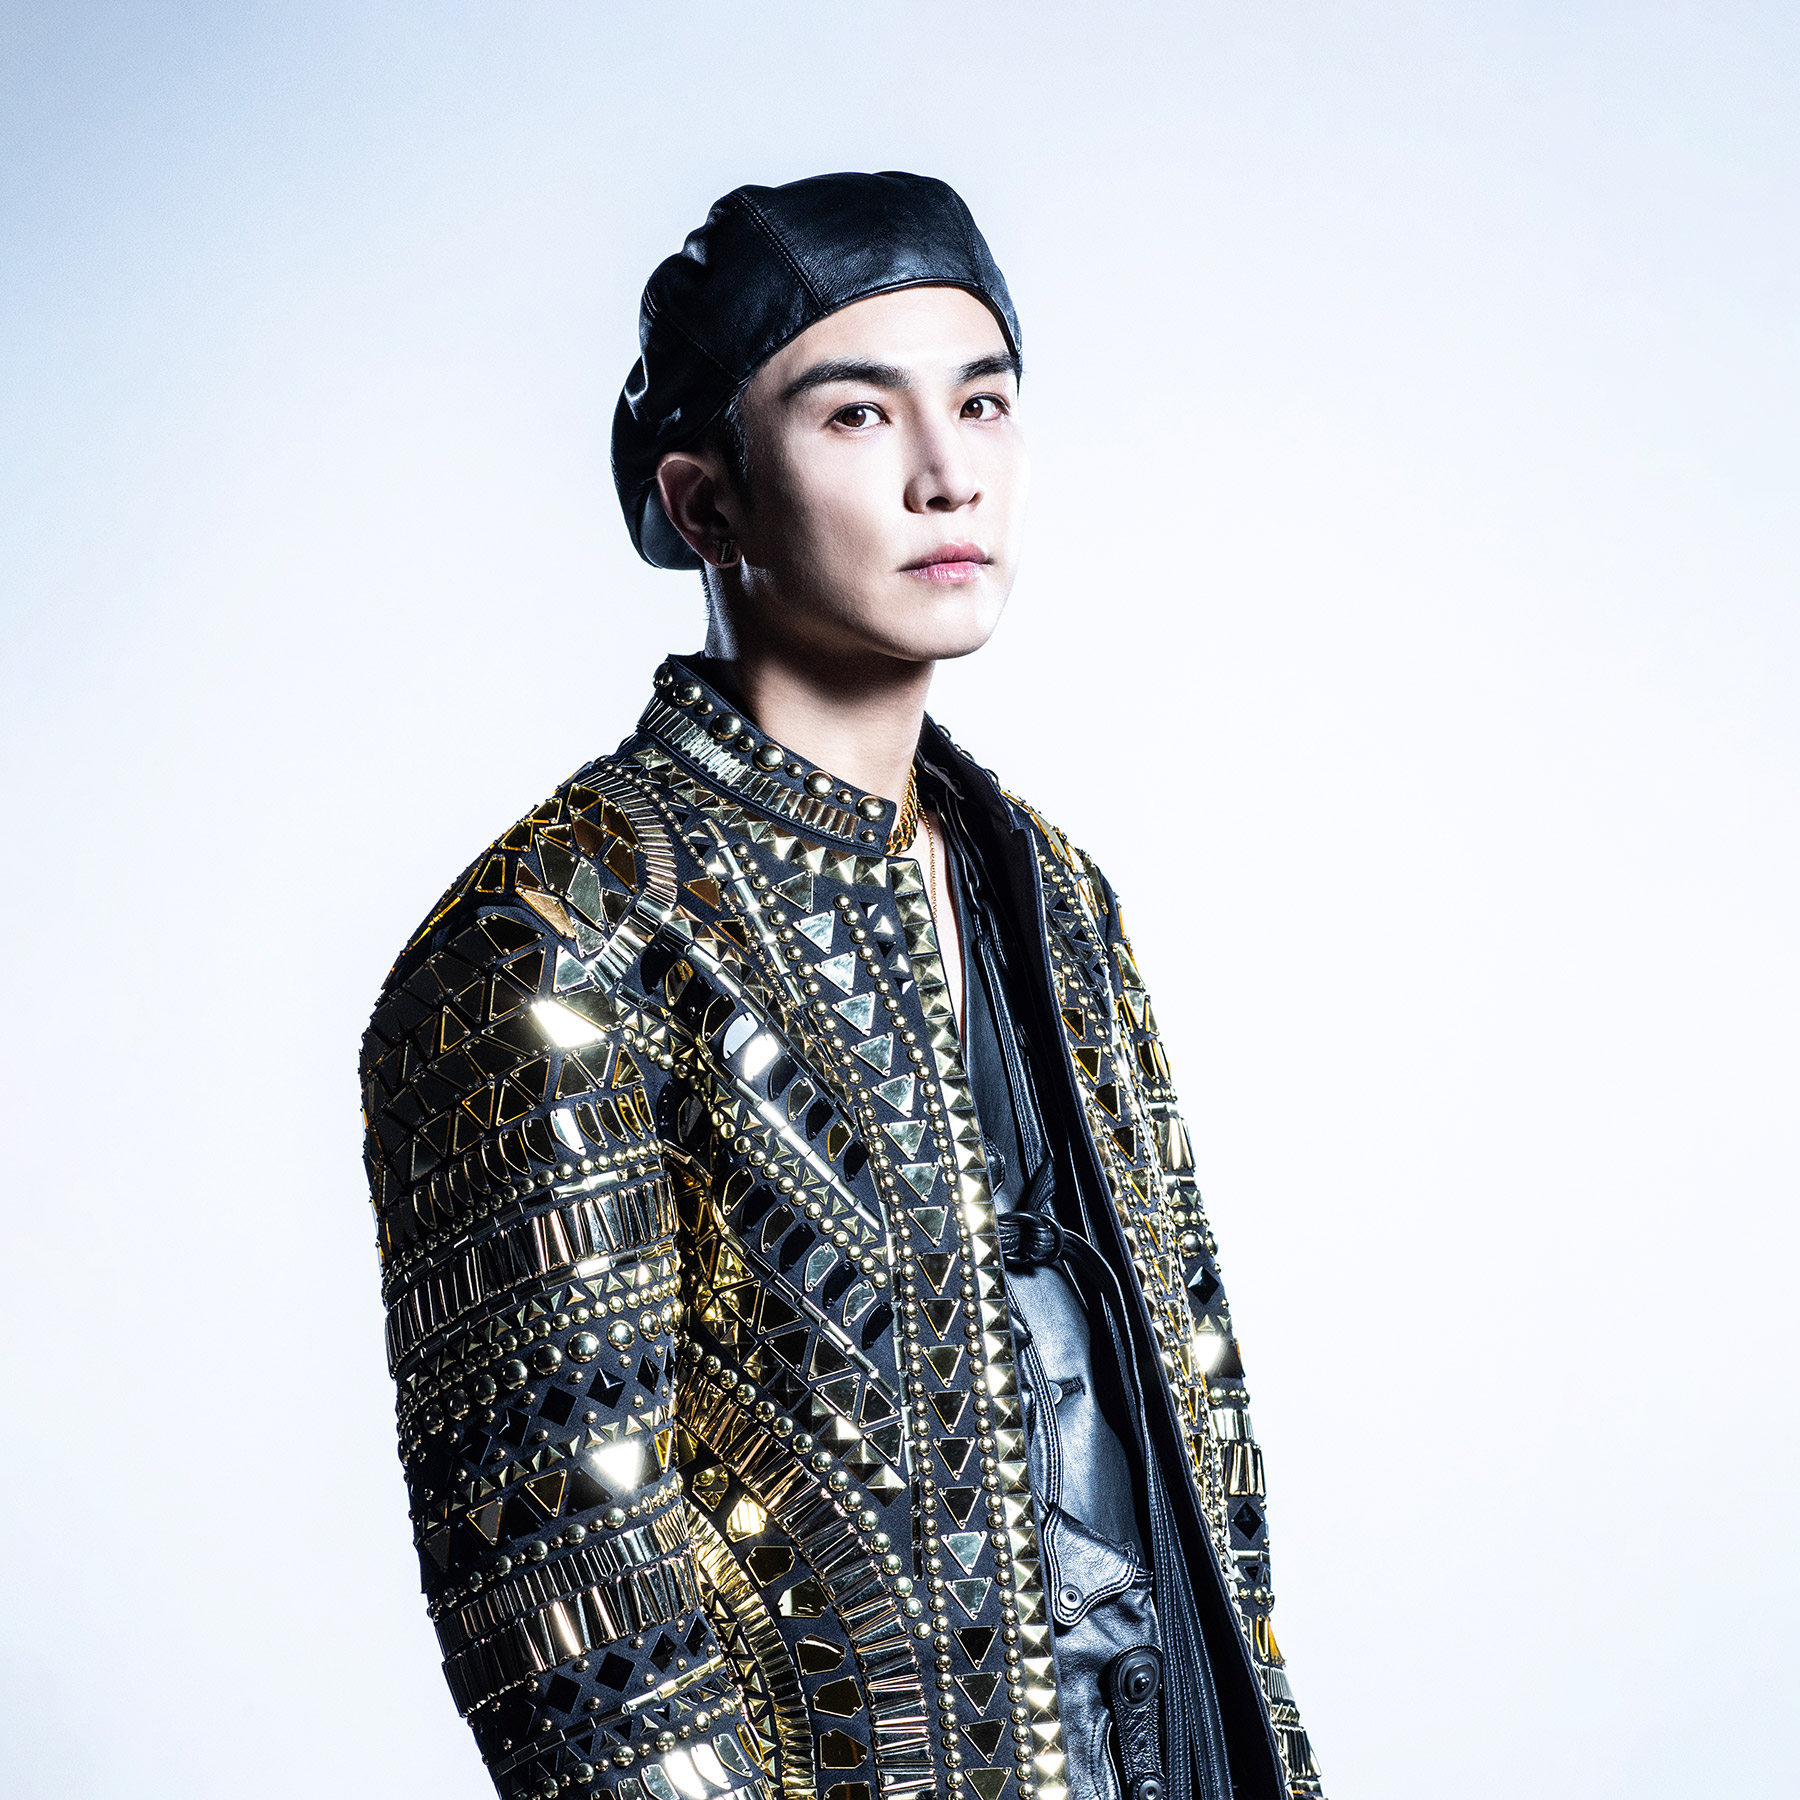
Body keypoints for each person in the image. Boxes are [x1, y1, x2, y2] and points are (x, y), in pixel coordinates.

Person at [359, 171, 1324, 1800]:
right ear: (706, 503)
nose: (950, 472)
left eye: (983, 402)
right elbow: (577, 1640)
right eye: (859, 415)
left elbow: (1204, 1465)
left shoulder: (1052, 894)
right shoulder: (553, 941)